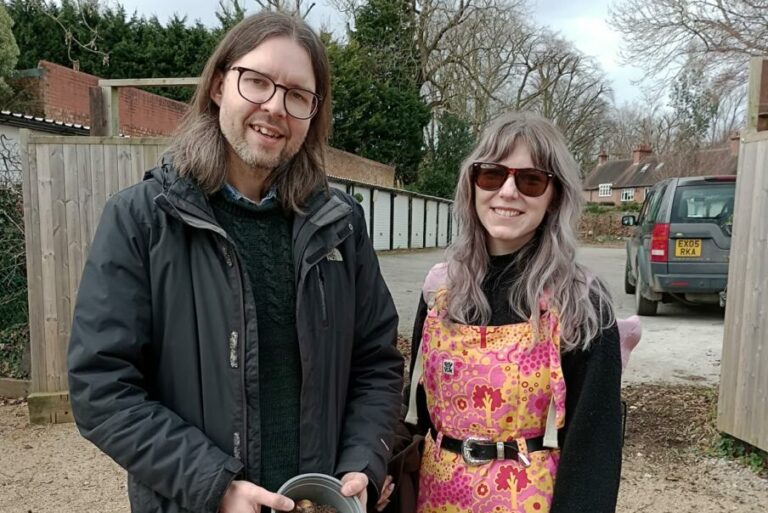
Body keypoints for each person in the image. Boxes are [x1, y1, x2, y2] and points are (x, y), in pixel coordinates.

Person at [67, 12, 403, 513]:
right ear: (221, 85)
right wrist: (215, 486)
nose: (275, 107)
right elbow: (102, 388)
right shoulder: (143, 218)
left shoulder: (342, 224)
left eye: (297, 95)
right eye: (258, 82)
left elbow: (376, 363)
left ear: (313, 114)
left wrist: (362, 463)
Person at [405, 112, 623, 513]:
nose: (508, 192)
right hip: (434, 500)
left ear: (555, 195)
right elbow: (414, 409)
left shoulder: (580, 302)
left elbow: (593, 449)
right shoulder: (441, 290)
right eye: (491, 174)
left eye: (530, 180)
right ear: (472, 184)